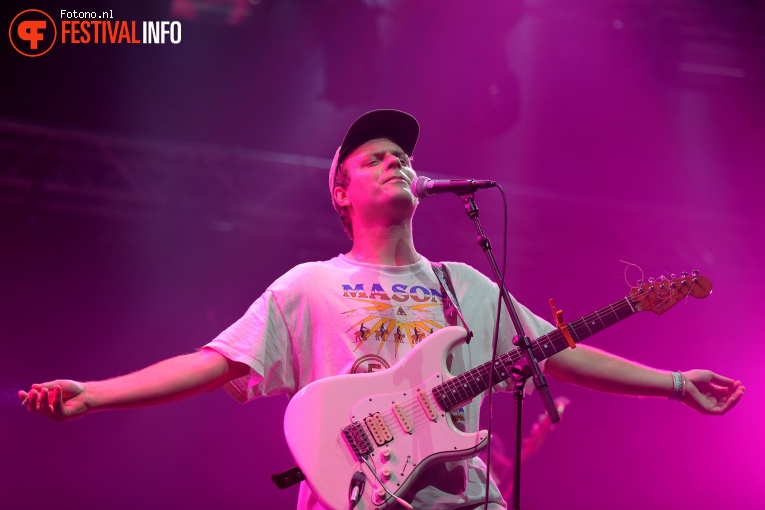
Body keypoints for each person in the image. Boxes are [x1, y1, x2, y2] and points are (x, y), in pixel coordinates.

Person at [20, 110, 745, 510]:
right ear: (340, 191)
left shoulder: (464, 282)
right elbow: (213, 365)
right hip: (357, 499)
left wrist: (675, 383)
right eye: (374, 158)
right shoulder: (308, 284)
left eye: (401, 154)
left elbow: (557, 353)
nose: (395, 161)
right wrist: (94, 396)